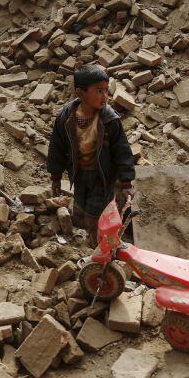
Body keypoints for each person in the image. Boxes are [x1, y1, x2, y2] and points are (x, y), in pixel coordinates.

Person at [47, 65, 135, 244]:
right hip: (79, 173)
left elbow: (122, 151)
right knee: (81, 203)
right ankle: (87, 234)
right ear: (80, 92)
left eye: (106, 90)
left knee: (96, 211)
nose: (105, 96)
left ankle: (99, 245)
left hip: (102, 175)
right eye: (99, 91)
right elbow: (57, 147)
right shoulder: (66, 118)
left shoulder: (109, 120)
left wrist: (126, 182)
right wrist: (55, 176)